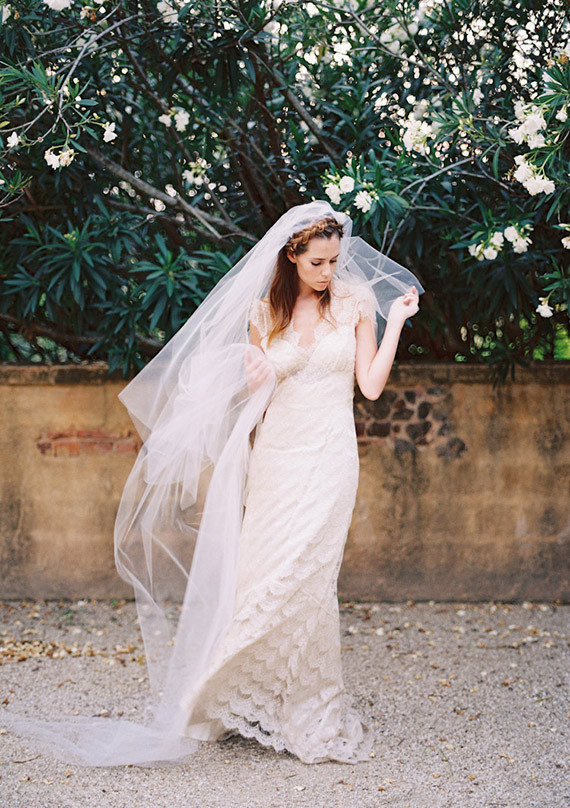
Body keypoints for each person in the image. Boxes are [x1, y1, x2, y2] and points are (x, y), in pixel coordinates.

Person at [0, 200, 424, 767]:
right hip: (276, 458)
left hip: (329, 457)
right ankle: (231, 697)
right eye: (317, 263)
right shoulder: (264, 312)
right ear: (291, 257)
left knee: (310, 576)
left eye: (333, 260)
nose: (328, 271)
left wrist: (396, 320)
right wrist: (253, 379)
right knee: (261, 574)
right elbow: (257, 401)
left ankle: (310, 706)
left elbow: (369, 386)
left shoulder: (355, 302)